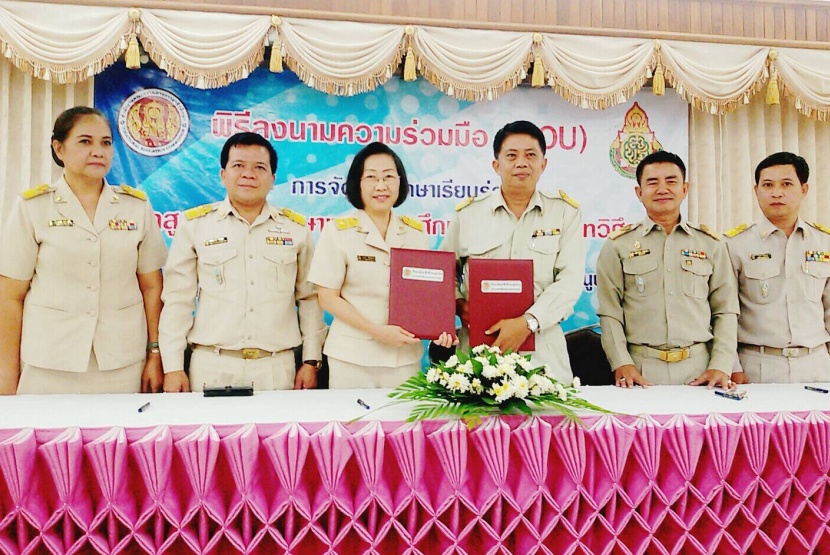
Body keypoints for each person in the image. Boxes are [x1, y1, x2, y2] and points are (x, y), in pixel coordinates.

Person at [0, 106, 167, 394]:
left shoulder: (136, 206)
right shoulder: (33, 207)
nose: (98, 151)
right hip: (49, 361)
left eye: (106, 143)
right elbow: (10, 296)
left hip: (121, 362)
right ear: (59, 148)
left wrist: (155, 353)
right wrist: (6, 371)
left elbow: (152, 288)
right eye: (85, 141)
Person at [159, 132, 326, 392]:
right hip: (212, 365)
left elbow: (309, 298)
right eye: (238, 165)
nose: (248, 174)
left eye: (259, 168)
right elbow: (178, 300)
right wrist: (172, 367)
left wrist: (311, 360)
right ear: (223, 174)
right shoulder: (195, 226)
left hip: (277, 367)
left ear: (273, 179)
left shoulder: (296, 229)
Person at [439, 120, 586, 383]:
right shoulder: (469, 214)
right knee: (479, 411)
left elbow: (570, 281)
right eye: (511, 156)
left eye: (530, 155)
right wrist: (459, 305)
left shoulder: (565, 213)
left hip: (543, 357)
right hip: (478, 356)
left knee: (546, 412)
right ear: (496, 165)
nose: (521, 163)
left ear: (543, 164)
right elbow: (443, 274)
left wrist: (528, 322)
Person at [309, 142, 454, 388]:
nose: (381, 186)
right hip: (351, 358)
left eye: (388, 177)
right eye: (371, 177)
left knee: (402, 415)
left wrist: (439, 329)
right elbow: (328, 298)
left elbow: (424, 295)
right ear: (357, 183)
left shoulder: (416, 232)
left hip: (404, 357)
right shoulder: (337, 231)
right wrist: (377, 331)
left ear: (400, 182)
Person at [596, 150, 738, 389]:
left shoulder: (710, 244)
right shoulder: (618, 245)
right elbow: (610, 312)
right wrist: (621, 363)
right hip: (640, 369)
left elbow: (725, 309)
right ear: (639, 193)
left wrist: (721, 364)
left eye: (671, 181)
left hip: (700, 368)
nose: (662, 189)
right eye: (652, 183)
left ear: (685, 188)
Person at [724, 152, 830, 383]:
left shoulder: (824, 243)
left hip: (817, 365)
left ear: (804, 189)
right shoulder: (734, 245)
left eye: (787, 184)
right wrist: (732, 366)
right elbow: (725, 313)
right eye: (768, 185)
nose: (777, 193)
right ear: (756, 191)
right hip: (758, 365)